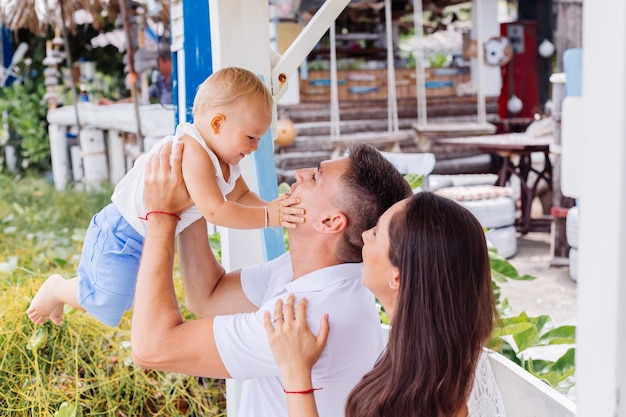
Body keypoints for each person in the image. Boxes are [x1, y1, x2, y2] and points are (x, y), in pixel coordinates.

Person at [130, 141, 413, 417]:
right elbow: (207, 296)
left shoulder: (307, 314)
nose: (299, 174)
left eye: (315, 176)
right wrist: (196, 192)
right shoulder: (306, 272)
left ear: (329, 222)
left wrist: (162, 216)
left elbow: (152, 348)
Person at [27, 66, 302, 328]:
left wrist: (269, 207)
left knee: (125, 300)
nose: (255, 147)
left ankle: (75, 291)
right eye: (251, 137)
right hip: (122, 233)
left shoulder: (224, 160)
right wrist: (269, 217)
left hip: (145, 236)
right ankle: (57, 288)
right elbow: (216, 211)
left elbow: (240, 194)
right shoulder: (194, 151)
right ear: (218, 123)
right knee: (107, 303)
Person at [264, 192, 506, 417]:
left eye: (377, 233)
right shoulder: (433, 364)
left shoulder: (423, 399)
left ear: (397, 276)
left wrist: (296, 372)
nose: (364, 236)